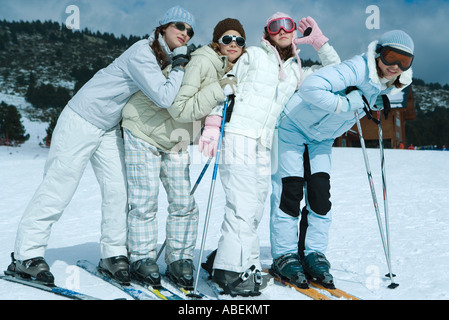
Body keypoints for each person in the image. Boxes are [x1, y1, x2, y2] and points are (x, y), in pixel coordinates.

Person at [7, 5, 195, 286]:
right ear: (163, 27)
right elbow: (164, 97)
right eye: (179, 26)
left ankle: (113, 253)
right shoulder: (142, 52)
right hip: (81, 119)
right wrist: (180, 65)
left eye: (190, 31)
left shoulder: (162, 60)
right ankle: (26, 256)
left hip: (108, 128)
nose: (185, 33)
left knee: (119, 190)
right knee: (59, 187)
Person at [199, 13, 340, 296]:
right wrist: (213, 124)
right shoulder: (252, 56)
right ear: (268, 32)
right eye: (276, 26)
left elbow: (336, 71)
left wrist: (319, 42)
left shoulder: (297, 70)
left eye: (289, 25)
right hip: (238, 134)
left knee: (255, 207)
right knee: (241, 205)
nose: (284, 29)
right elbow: (227, 86)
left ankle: (244, 265)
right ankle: (229, 270)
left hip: (265, 143)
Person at [269, 30, 414, 288]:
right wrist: (346, 105)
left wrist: (377, 103)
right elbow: (311, 88)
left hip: (322, 138)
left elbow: (368, 98)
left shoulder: (392, 83)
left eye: (405, 61)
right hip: (292, 128)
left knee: (320, 196)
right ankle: (284, 255)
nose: (396, 67)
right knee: (289, 191)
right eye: (392, 57)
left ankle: (313, 253)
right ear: (379, 53)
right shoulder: (358, 68)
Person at [121, 18, 246, 290]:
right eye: (227, 39)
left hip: (175, 138)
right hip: (144, 129)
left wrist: (213, 123)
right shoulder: (203, 61)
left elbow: (207, 105)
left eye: (239, 41)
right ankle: (141, 258)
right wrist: (218, 90)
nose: (233, 44)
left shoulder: (224, 69)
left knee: (184, 203)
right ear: (216, 41)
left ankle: (179, 261)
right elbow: (179, 108)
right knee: (145, 200)